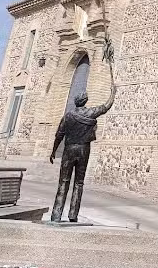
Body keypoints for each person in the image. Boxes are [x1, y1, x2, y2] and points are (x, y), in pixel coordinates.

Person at [49, 81, 116, 222]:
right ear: (85, 101)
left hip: (68, 150)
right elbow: (106, 107)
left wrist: (54, 151)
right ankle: (73, 215)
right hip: (84, 150)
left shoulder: (68, 116)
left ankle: (56, 214)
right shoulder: (90, 113)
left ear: (75, 102)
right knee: (79, 183)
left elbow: (59, 135)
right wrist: (113, 93)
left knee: (63, 182)